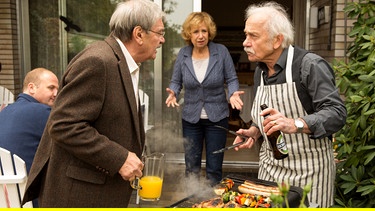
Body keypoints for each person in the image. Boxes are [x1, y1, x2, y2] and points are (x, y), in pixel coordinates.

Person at [21, 0, 165, 207]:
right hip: (79, 196)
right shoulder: (98, 61)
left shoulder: (121, 63)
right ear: (139, 34)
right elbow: (63, 125)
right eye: (160, 32)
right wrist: (120, 158)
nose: (162, 40)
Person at [232, 1, 347, 208]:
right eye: (246, 34)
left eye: (253, 36)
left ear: (277, 40)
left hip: (310, 172)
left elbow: (337, 113)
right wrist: (256, 130)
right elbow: (267, 113)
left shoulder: (309, 66)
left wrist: (296, 124)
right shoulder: (260, 71)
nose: (245, 43)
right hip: (270, 170)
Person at [165, 12, 244, 186]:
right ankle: (192, 201)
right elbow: (176, 80)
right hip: (191, 119)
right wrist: (174, 92)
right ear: (189, 34)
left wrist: (232, 93)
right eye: (195, 32)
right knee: (191, 167)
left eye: (204, 31)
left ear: (209, 33)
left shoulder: (221, 51)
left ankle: (211, 202)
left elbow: (231, 78)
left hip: (217, 118)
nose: (200, 36)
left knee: (214, 168)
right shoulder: (183, 54)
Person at [0, 67, 59, 173]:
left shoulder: (4, 112)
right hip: (30, 185)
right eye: (51, 88)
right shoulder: (43, 111)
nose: (56, 94)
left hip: (6, 185)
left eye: (57, 89)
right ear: (31, 88)